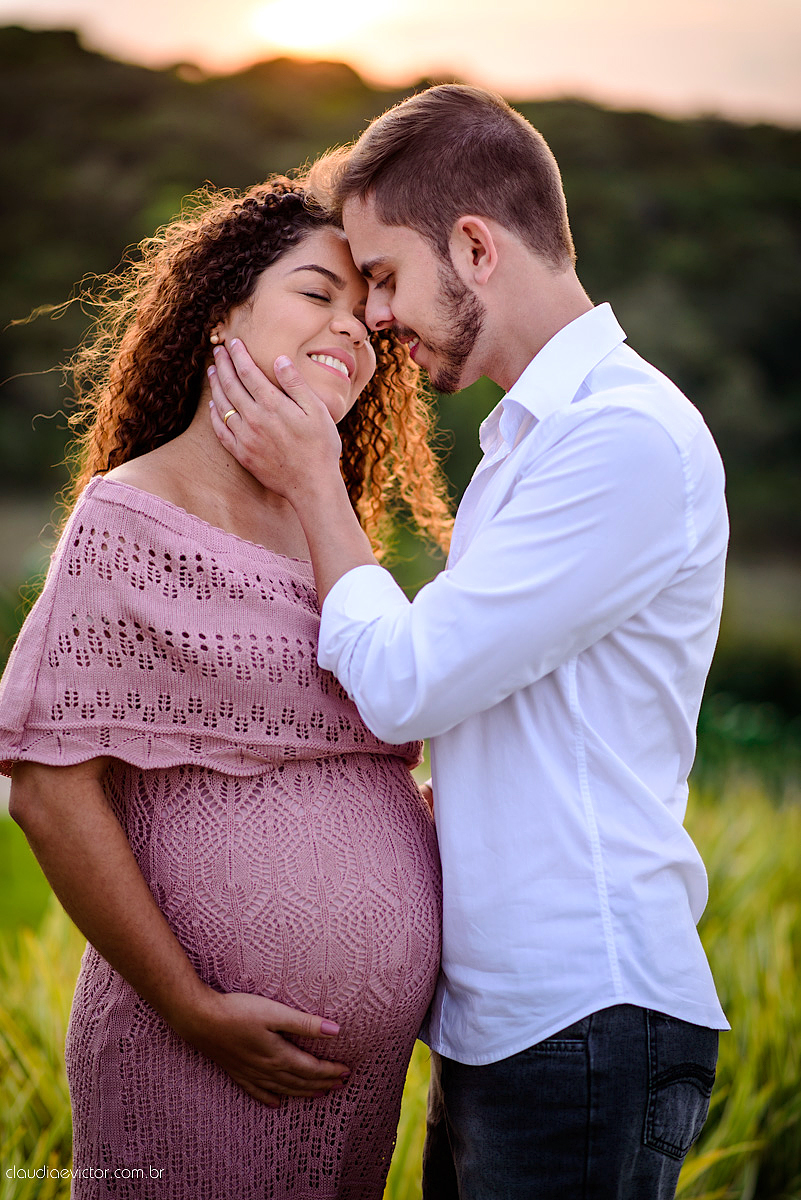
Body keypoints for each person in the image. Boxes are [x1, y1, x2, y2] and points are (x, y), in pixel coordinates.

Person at [206, 86, 730, 1199]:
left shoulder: (621, 440)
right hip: (518, 1026)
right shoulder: (530, 446)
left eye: (385, 276)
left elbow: (407, 683)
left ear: (477, 247)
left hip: (584, 1011)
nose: (378, 317)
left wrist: (311, 484)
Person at [0, 177, 451, 1199]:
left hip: (355, 1080)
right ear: (220, 315)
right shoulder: (129, 520)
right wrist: (193, 1008)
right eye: (315, 294)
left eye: (365, 309)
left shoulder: (334, 538)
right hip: (190, 1052)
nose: (354, 326)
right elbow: (46, 787)